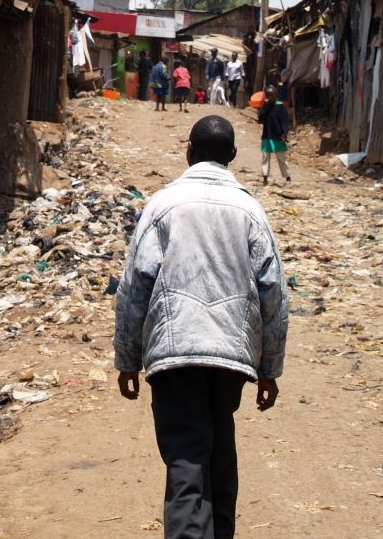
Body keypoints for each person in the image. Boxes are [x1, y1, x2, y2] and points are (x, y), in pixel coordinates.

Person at [114, 115, 288, 539]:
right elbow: (274, 294)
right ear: (231, 156)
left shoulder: (162, 205)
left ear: (188, 151)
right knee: (219, 455)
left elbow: (135, 287)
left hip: (174, 354)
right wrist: (270, 368)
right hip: (231, 357)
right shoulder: (250, 208)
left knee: (188, 463)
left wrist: (127, 359)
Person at [258, 85, 291, 186]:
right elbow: (260, 119)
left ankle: (288, 178)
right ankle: (265, 178)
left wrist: (284, 134)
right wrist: (265, 107)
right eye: (268, 95)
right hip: (267, 136)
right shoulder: (265, 106)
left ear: (276, 95)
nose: (269, 97)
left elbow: (285, 122)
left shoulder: (280, 106)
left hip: (278, 137)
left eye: (271, 95)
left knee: (282, 159)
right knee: (265, 158)